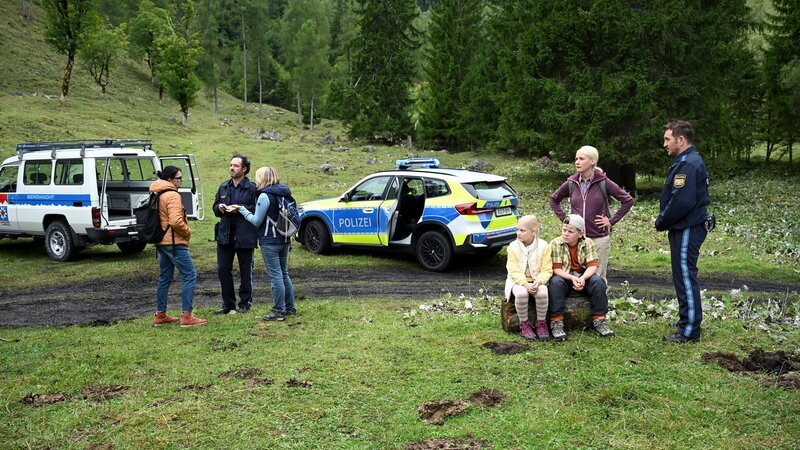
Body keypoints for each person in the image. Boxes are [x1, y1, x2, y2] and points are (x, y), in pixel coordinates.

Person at [656, 121, 711, 343]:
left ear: (681, 140)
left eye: (667, 139)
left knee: (686, 276)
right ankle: (687, 319)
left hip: (688, 227)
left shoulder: (688, 164)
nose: (664, 144)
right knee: (682, 275)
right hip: (684, 227)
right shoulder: (686, 161)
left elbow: (682, 201)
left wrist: (661, 221)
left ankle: (689, 331)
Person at [549, 145, 634, 282]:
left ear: (592, 161)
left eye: (581, 159)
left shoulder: (603, 182)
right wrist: (566, 220)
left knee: (597, 280)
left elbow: (628, 200)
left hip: (598, 239)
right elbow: (554, 200)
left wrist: (611, 221)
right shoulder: (572, 182)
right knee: (575, 278)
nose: (577, 162)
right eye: (576, 159)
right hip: (576, 240)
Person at [231, 166, 296, 321]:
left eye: (257, 177)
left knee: (276, 276)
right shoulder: (284, 193)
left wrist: (242, 210)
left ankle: (278, 310)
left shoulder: (264, 196)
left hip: (269, 240)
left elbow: (256, 221)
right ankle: (290, 307)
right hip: (284, 238)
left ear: (263, 178)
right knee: (284, 274)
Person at [151, 166, 207, 327]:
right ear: (170, 179)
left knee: (164, 277)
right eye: (179, 178)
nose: (182, 181)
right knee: (190, 275)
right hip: (174, 243)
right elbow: (175, 221)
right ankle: (187, 316)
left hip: (161, 242)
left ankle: (160, 314)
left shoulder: (157, 192)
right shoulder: (172, 195)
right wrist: (187, 231)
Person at [548, 214, 614, 340]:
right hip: (565, 277)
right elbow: (556, 269)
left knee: (598, 282)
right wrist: (572, 278)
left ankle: (600, 320)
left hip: (583, 276)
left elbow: (592, 266)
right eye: (564, 230)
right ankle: (556, 322)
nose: (566, 234)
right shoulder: (555, 243)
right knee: (555, 283)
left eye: (570, 231)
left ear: (580, 233)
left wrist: (583, 278)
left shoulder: (588, 242)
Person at [212, 153, 258, 314]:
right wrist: (219, 208)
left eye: (236, 165)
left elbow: (258, 210)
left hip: (245, 235)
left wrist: (240, 209)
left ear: (244, 169)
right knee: (223, 269)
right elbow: (215, 207)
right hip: (225, 235)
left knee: (246, 271)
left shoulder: (252, 188)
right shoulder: (223, 187)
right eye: (231, 165)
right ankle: (228, 304)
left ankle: (245, 304)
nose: (232, 168)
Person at [504, 215, 553, 341]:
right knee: (522, 294)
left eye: (522, 230)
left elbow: (547, 269)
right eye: (517, 229)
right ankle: (524, 324)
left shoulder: (544, 246)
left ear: (533, 231)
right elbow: (513, 270)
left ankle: (541, 323)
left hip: (537, 280)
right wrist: (525, 283)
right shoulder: (512, 247)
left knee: (542, 292)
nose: (518, 233)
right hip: (518, 282)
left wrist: (539, 282)